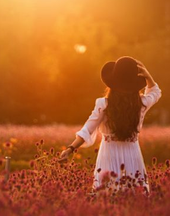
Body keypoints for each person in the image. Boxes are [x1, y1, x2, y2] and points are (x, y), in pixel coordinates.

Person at [58, 56, 162, 192]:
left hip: (108, 155)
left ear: (112, 83)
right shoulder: (141, 104)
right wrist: (148, 76)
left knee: (107, 194)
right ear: (135, 85)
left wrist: (70, 149)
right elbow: (155, 92)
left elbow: (87, 129)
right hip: (133, 154)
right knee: (134, 195)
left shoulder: (104, 104)